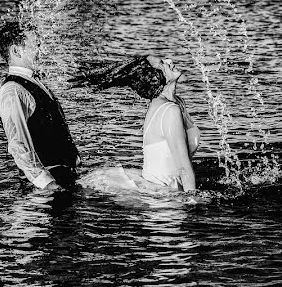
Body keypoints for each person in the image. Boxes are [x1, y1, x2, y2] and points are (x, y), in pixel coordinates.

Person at [83, 55, 200, 192]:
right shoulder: (169, 110)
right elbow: (183, 169)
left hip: (172, 187)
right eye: (162, 63)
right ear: (155, 77)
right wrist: (193, 203)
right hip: (163, 196)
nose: (169, 61)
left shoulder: (177, 102)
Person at [0, 21, 80, 190]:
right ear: (16, 51)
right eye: (35, 45)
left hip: (63, 180)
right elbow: (18, 145)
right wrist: (47, 185)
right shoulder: (13, 91)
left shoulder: (33, 82)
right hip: (44, 190)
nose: (41, 51)